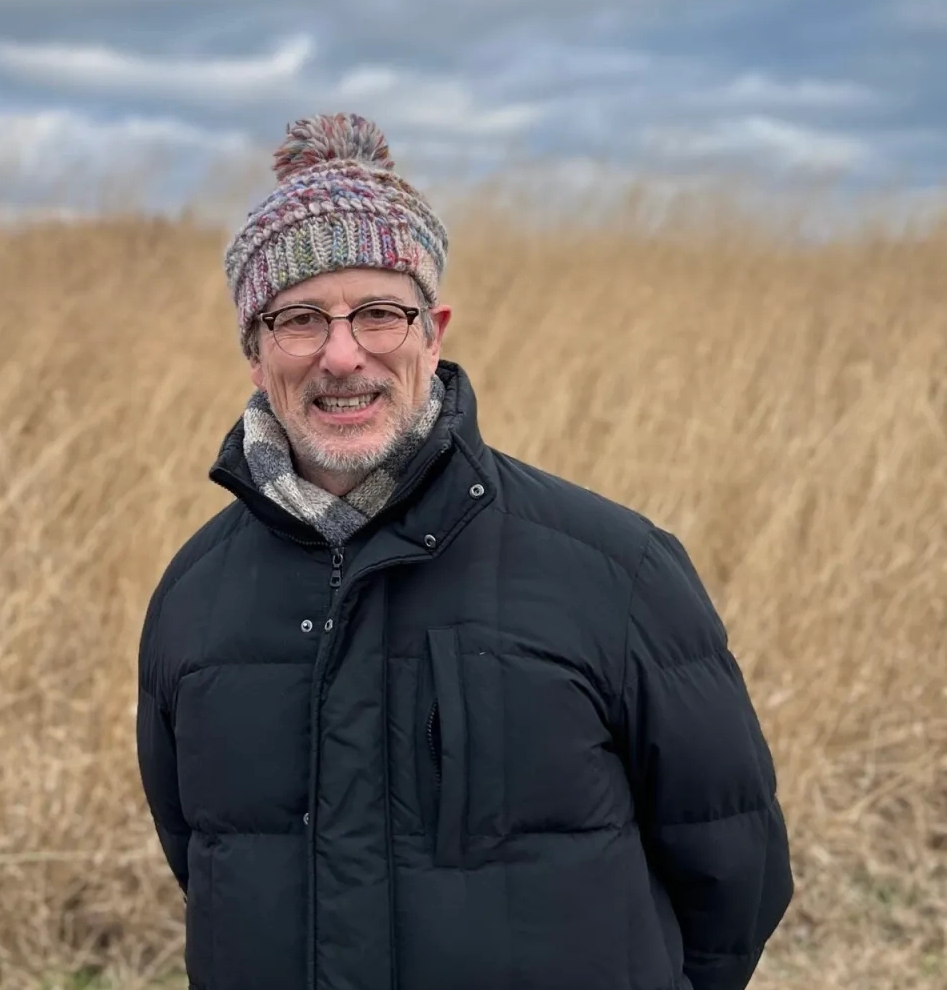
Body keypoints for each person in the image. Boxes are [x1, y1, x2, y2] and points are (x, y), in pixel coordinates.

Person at [135, 113, 792, 990]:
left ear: (433, 332)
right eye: (298, 320)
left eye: (379, 313)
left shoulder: (617, 571)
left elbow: (733, 873)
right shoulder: (194, 595)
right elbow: (204, 861)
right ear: (255, 354)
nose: (342, 355)